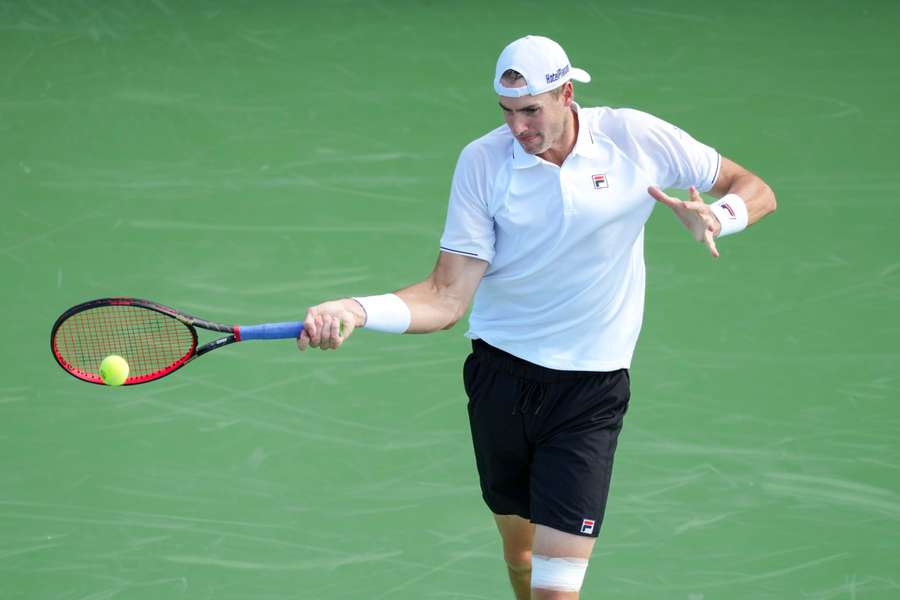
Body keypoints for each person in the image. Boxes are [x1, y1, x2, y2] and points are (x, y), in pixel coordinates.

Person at [297, 35, 776, 599]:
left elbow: (754, 188)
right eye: (507, 112)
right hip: (502, 379)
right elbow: (446, 298)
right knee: (520, 556)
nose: (518, 128)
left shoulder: (634, 137)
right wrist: (356, 308)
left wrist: (718, 218)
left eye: (530, 111)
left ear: (566, 95)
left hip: (590, 393)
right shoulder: (484, 162)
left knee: (557, 590)